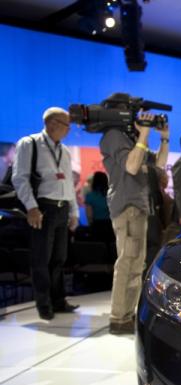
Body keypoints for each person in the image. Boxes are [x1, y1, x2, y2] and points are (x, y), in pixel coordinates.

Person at [99, 93, 169, 335]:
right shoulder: (113, 135)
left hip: (138, 205)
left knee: (136, 265)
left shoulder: (129, 136)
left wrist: (164, 139)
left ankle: (127, 315)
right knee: (127, 263)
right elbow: (130, 166)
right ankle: (119, 318)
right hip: (126, 206)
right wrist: (144, 134)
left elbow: (158, 165)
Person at [11, 107, 79, 320]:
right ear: (52, 124)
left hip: (62, 208)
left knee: (59, 258)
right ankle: (44, 304)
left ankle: (59, 301)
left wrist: (74, 212)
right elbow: (19, 178)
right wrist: (32, 207)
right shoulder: (29, 143)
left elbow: (68, 182)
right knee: (41, 258)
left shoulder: (65, 151)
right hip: (42, 207)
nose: (69, 130)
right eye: (66, 125)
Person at [84, 171, 114, 243]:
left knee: (98, 249)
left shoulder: (90, 196)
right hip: (111, 225)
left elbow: (89, 215)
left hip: (97, 226)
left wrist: (90, 226)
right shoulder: (112, 195)